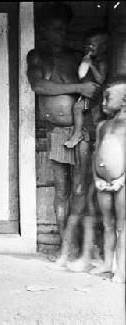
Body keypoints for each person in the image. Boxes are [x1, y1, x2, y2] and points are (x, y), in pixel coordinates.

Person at [26, 3, 100, 270]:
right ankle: (63, 246)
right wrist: (78, 86)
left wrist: (84, 87)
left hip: (79, 131)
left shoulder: (77, 56)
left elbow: (94, 88)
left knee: (80, 190)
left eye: (64, 29)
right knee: (61, 191)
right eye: (56, 29)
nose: (62, 34)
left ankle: (76, 246)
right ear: (44, 30)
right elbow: (38, 86)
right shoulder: (36, 56)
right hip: (56, 132)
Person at [89, 78, 126, 283]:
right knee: (107, 224)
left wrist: (122, 179)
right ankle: (107, 264)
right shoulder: (102, 125)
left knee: (122, 227)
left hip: (122, 184)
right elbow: (96, 155)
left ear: (124, 101)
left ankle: (121, 270)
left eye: (107, 98)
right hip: (102, 183)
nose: (103, 103)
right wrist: (96, 179)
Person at [65, 28, 109, 149]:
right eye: (87, 45)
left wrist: (91, 66)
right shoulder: (92, 59)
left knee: (77, 107)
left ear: (103, 48)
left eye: (93, 45)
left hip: (96, 93)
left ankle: (77, 133)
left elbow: (100, 80)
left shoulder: (102, 62)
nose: (89, 47)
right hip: (88, 91)